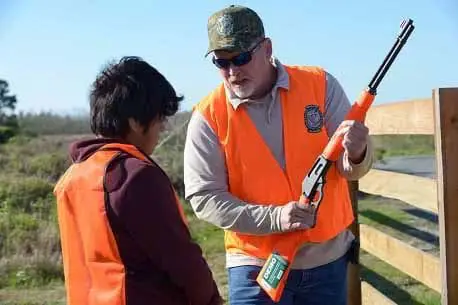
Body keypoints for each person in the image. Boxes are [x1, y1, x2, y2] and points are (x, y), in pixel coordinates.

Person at [183, 5, 374, 305]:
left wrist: (359, 152)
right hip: (254, 264)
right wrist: (275, 218)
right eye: (222, 62)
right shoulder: (208, 116)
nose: (233, 72)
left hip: (327, 260)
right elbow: (204, 197)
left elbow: (351, 168)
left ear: (267, 48)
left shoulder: (320, 85)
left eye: (241, 57)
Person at [54, 56, 223, 305]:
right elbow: (181, 260)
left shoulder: (71, 178)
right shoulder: (135, 176)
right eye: (159, 118)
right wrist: (210, 299)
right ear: (134, 121)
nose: (162, 129)